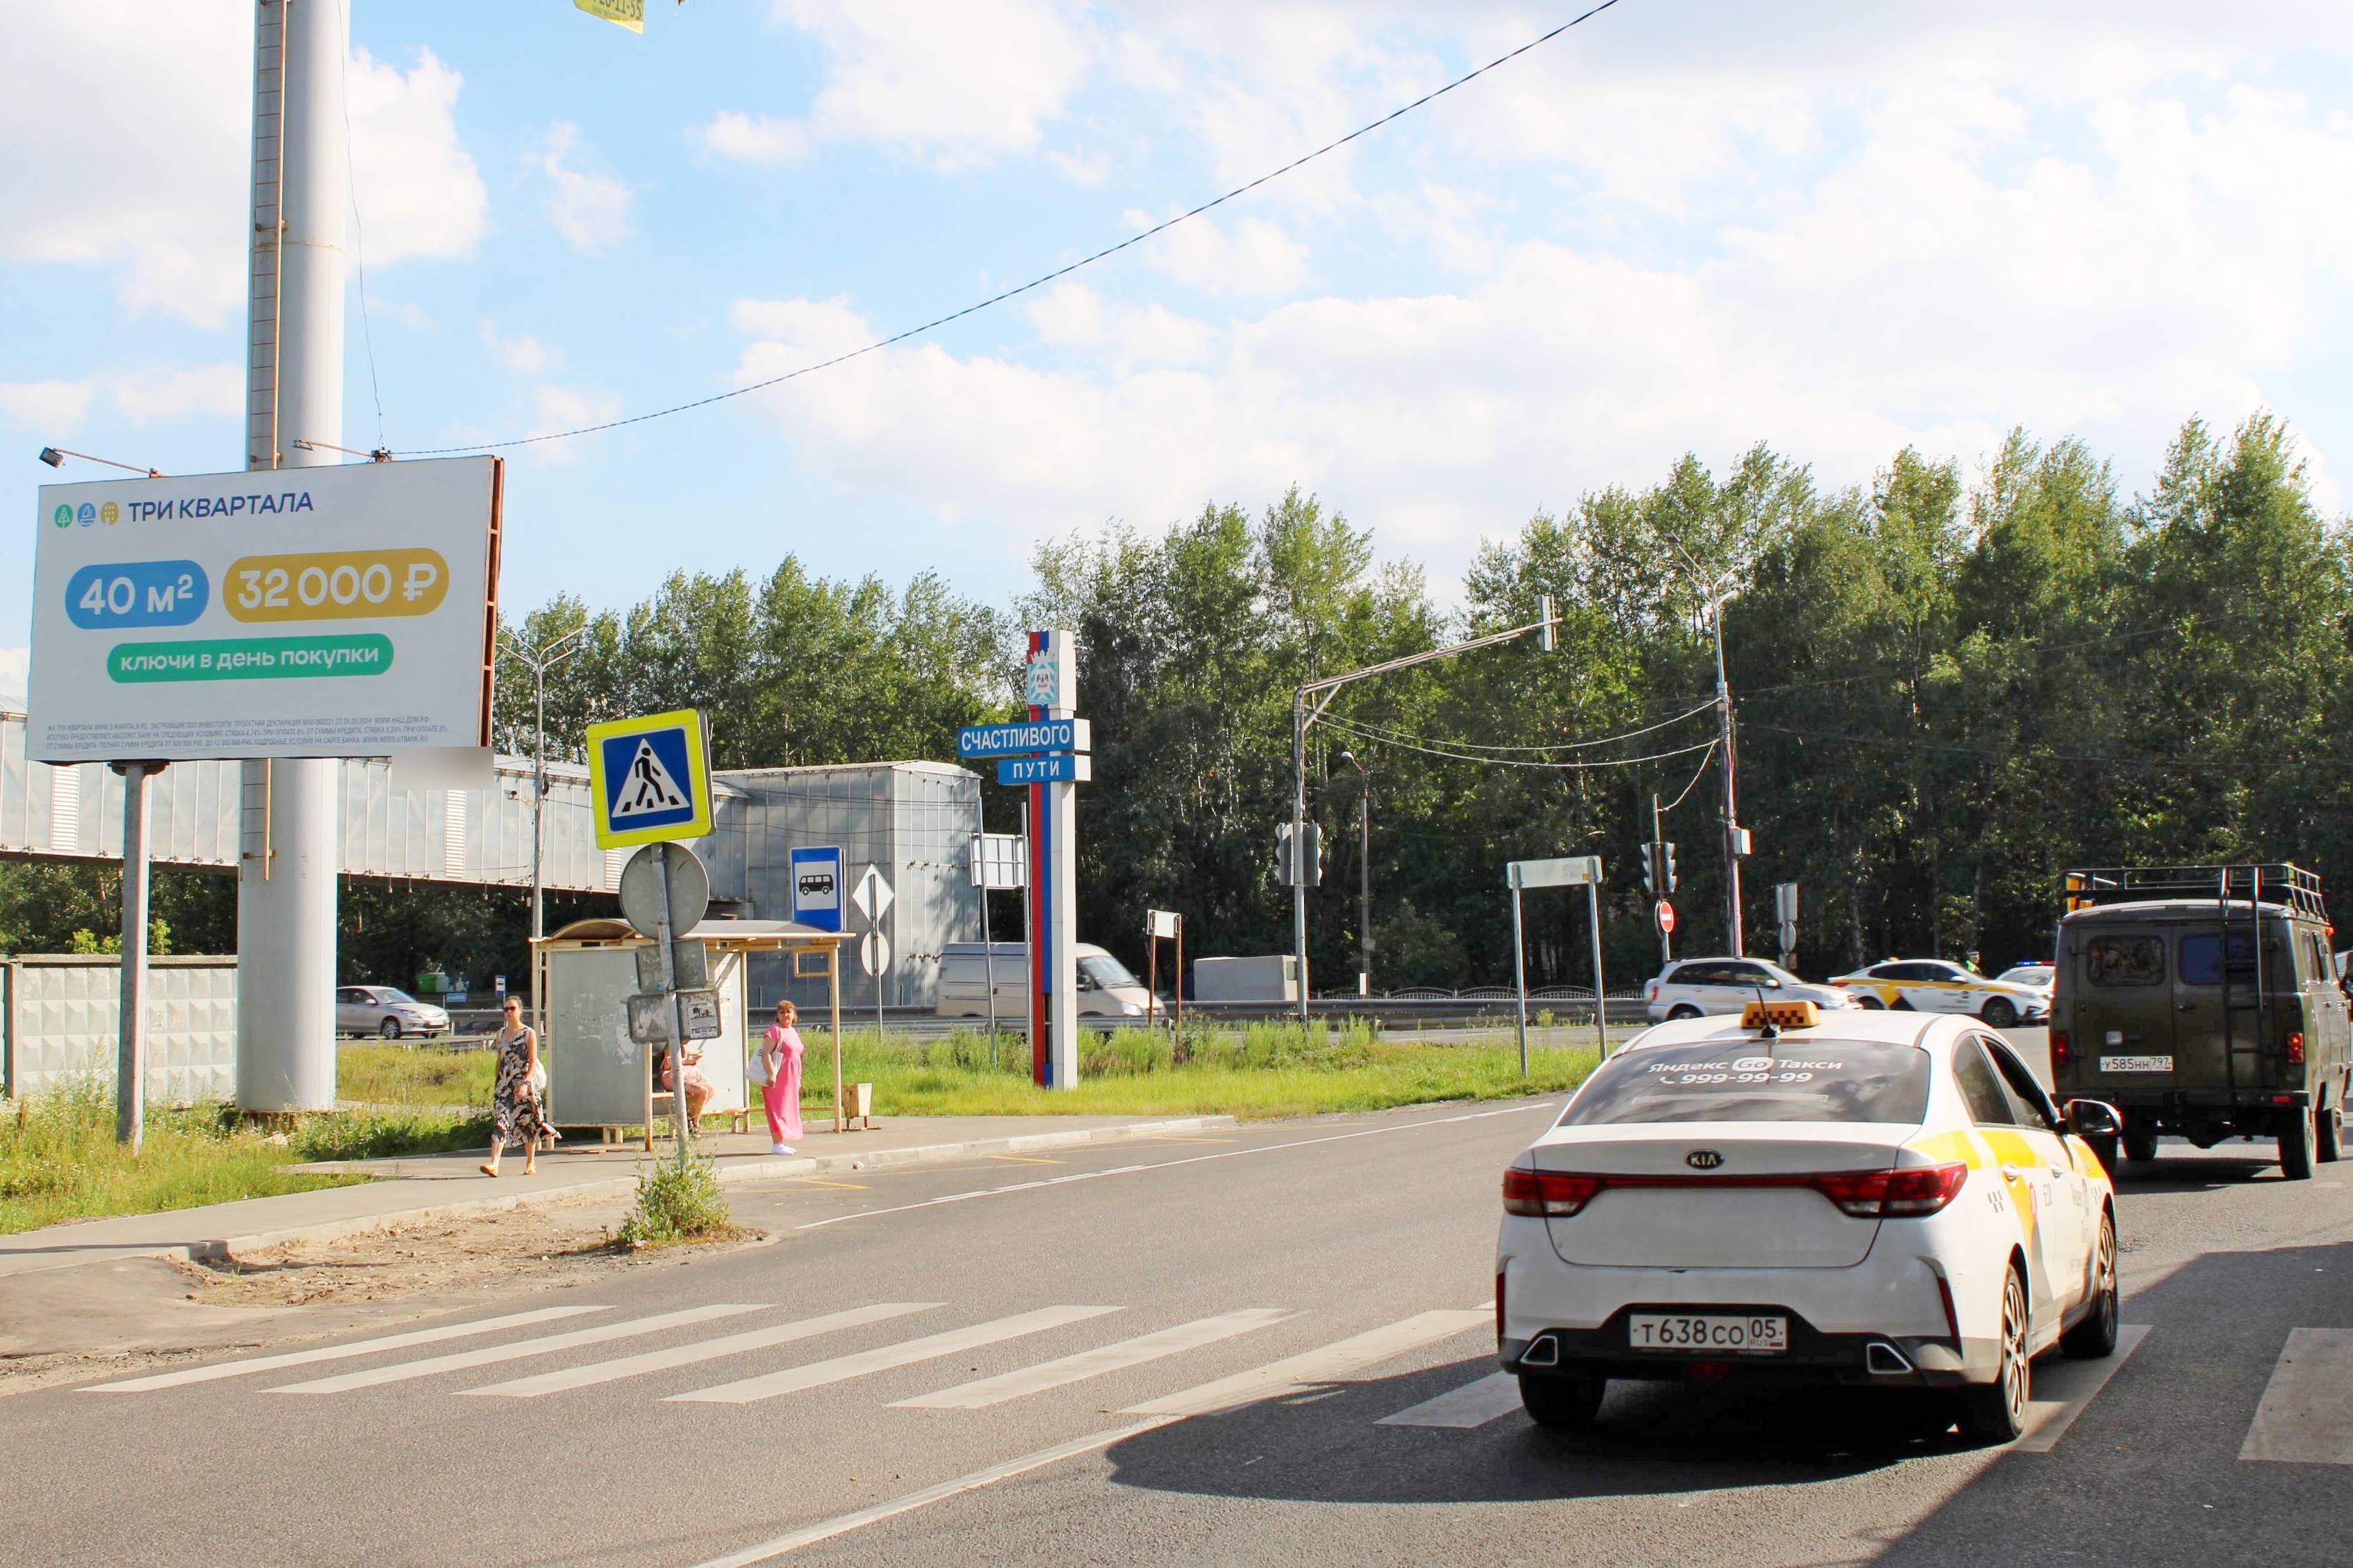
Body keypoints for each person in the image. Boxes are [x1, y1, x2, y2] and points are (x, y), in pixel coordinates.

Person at [480, 997, 545, 1177]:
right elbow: (500, 1060)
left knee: (526, 1121)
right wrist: (496, 1083)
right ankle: (494, 1164)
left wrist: (525, 1083)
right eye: (506, 1009)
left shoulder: (528, 1033)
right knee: (500, 1121)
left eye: (512, 1008)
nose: (509, 1012)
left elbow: (532, 1062)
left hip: (523, 1084)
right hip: (504, 1085)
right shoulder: (500, 1034)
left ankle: (531, 1162)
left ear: (520, 1011)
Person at [760, 1000, 806, 1155]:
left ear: (794, 1015)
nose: (786, 1015)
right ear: (777, 1015)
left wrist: (799, 1079)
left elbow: (798, 1054)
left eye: (789, 1012)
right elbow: (766, 1053)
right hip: (779, 1075)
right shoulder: (775, 1030)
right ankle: (777, 1143)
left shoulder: (792, 1031)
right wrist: (772, 1074)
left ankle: (782, 1142)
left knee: (787, 1108)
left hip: (792, 1076)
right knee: (777, 1108)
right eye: (782, 1012)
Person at [657, 1040, 714, 1136]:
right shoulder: (672, 1044)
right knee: (703, 1091)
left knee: (711, 1090)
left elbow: (686, 1061)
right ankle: (695, 1124)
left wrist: (692, 1061)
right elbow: (667, 1064)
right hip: (675, 1078)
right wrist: (686, 1061)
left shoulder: (684, 1046)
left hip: (687, 1077)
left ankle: (691, 1117)